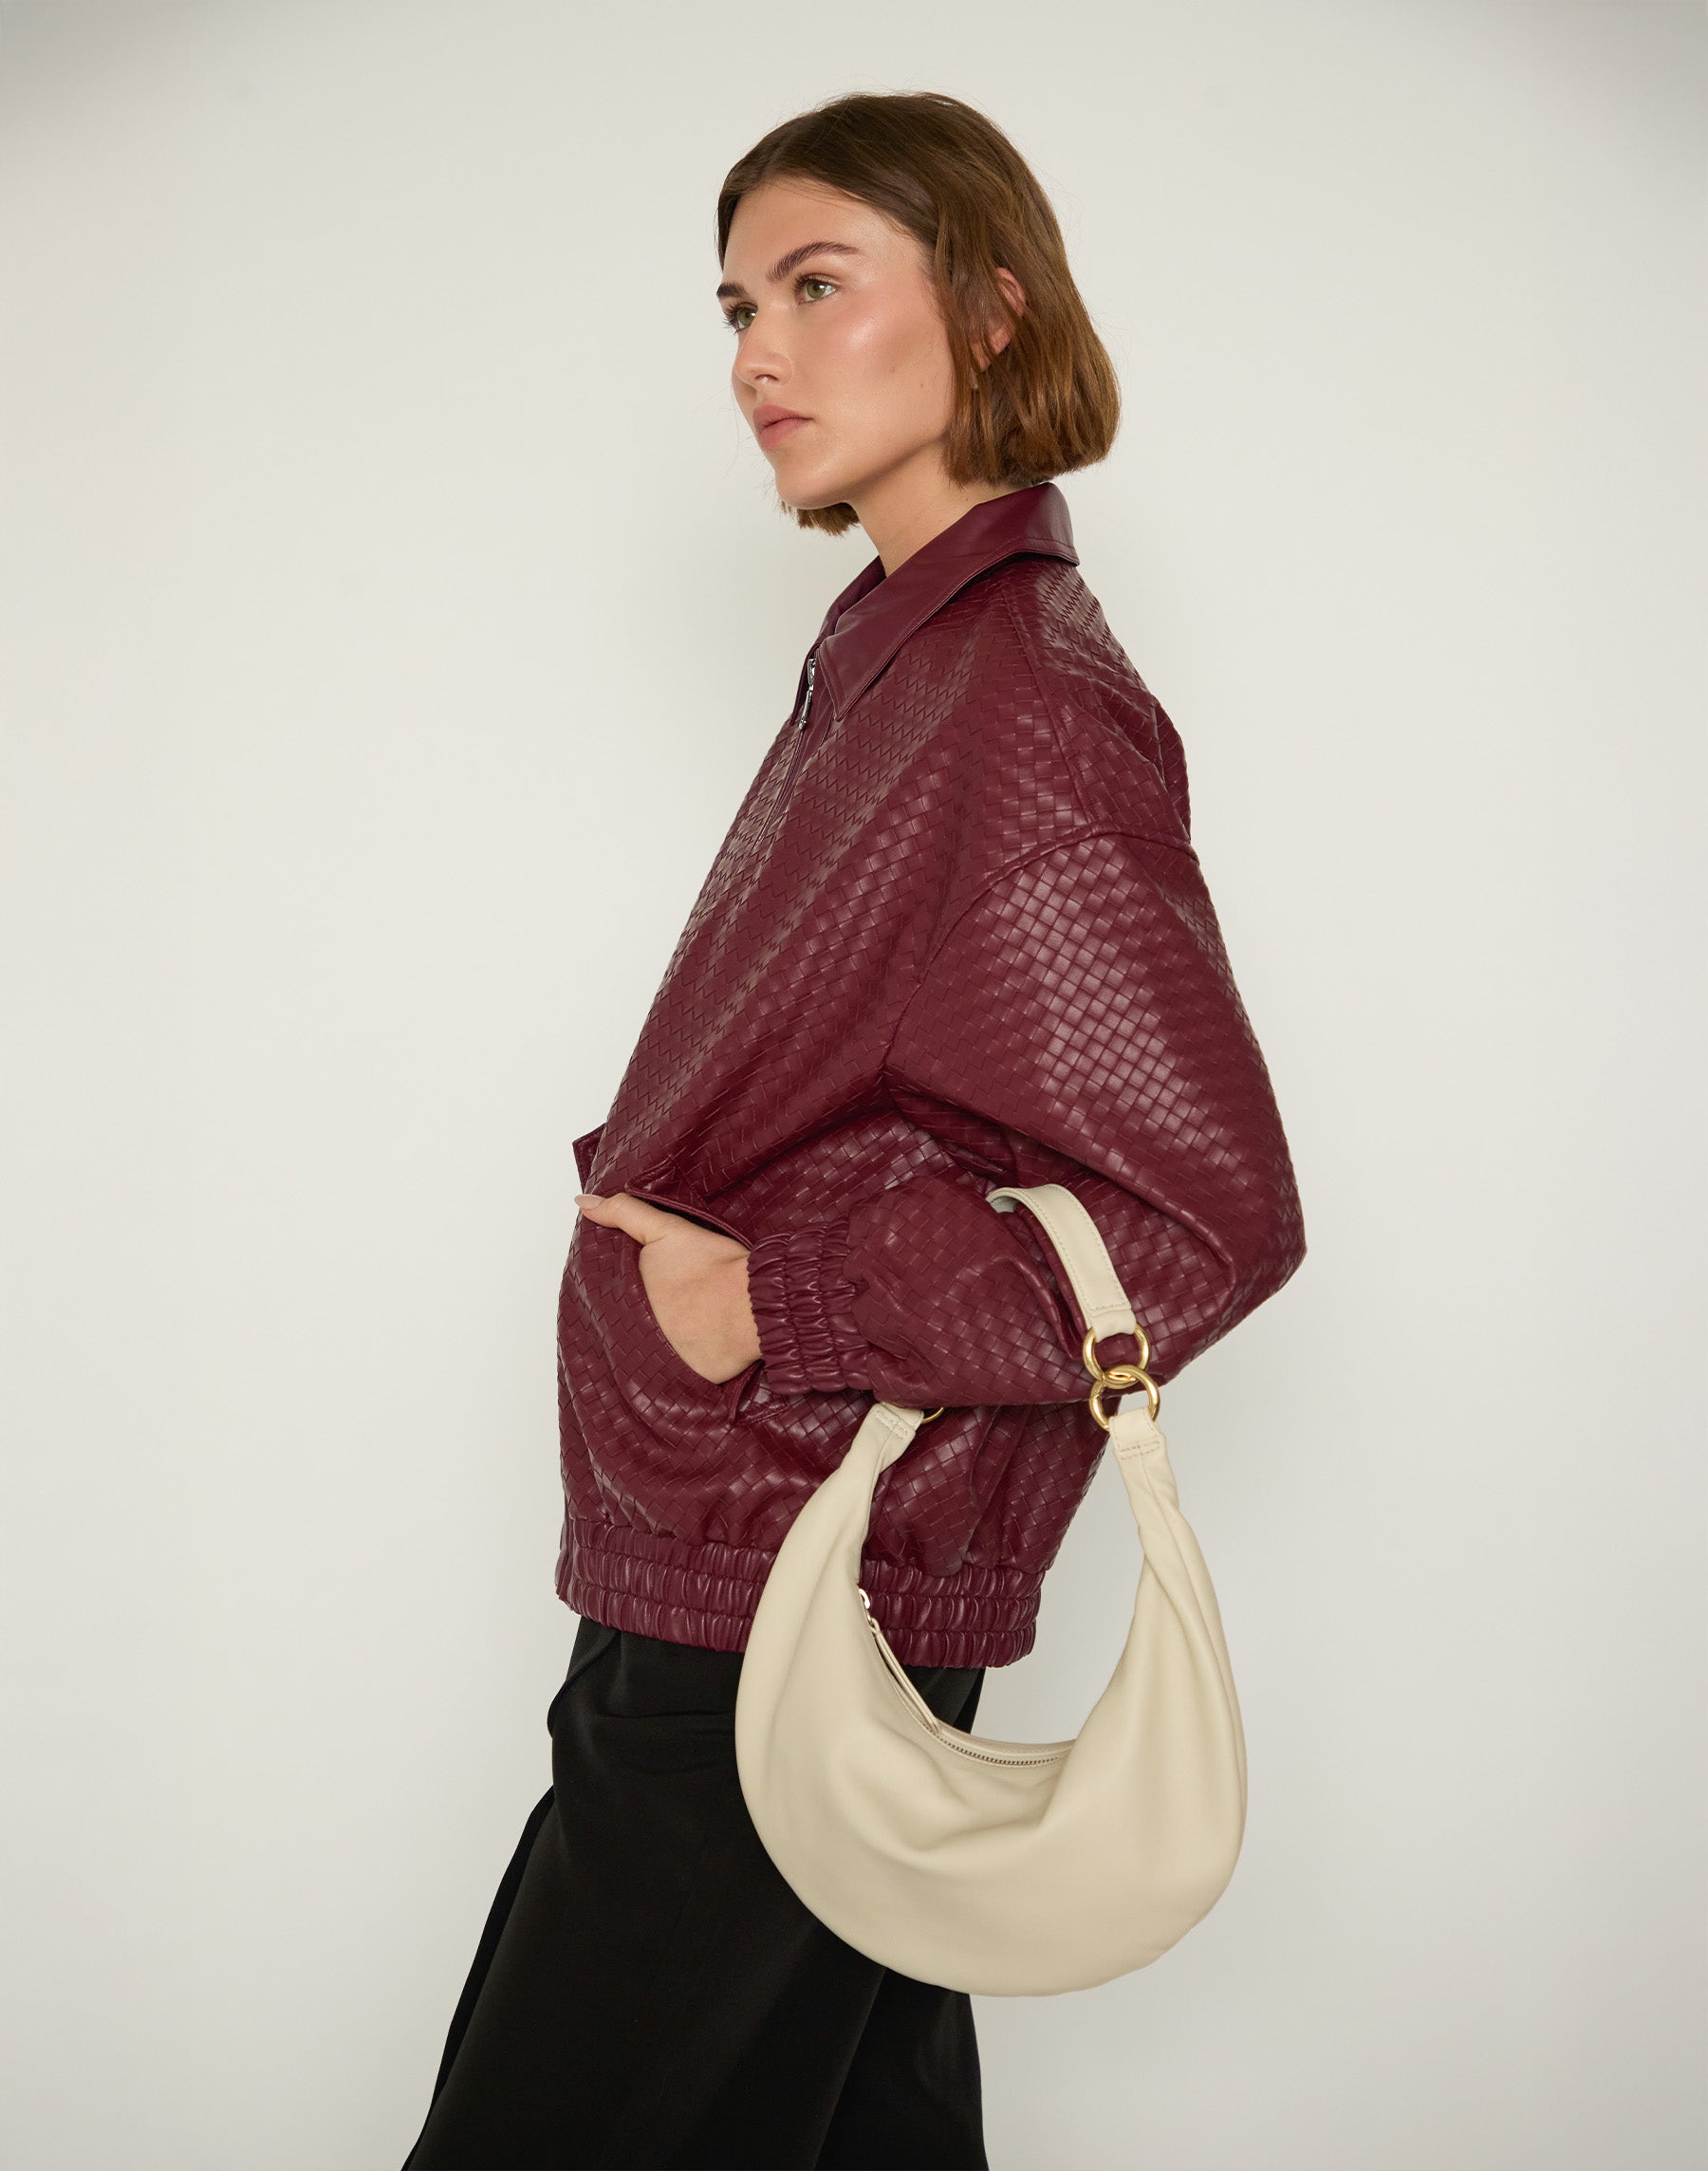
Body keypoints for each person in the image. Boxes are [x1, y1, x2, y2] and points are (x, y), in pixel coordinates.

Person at [403, 88, 1305, 2171]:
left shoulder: (1021, 700)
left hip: (792, 1587)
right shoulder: (897, 656)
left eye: (819, 286)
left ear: (992, 309)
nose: (759, 355)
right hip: (757, 1552)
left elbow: (1203, 1217)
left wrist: (775, 1303)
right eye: (738, 307)